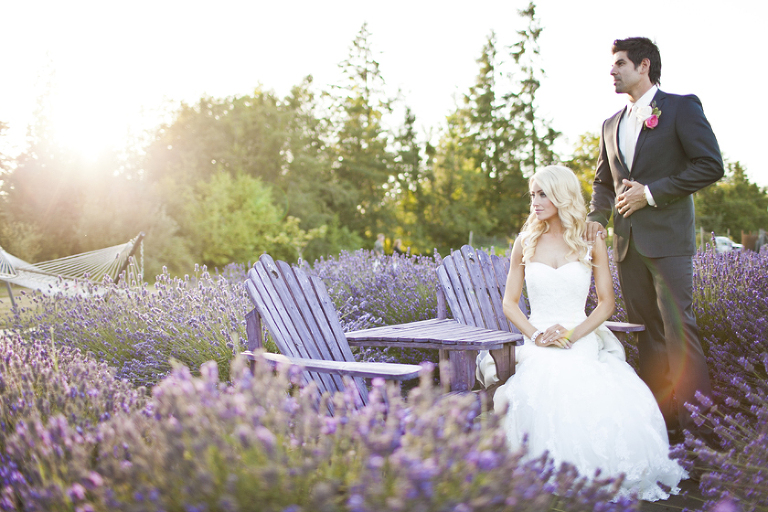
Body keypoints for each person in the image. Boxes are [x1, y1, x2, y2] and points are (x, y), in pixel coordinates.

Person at [477, 165, 685, 501]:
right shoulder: (524, 242)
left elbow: (605, 305)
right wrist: (537, 335)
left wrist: (573, 335)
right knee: (543, 376)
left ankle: (593, 472)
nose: (535, 201)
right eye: (532, 194)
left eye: (542, 193)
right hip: (539, 340)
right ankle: (544, 470)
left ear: (562, 195)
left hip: (581, 335)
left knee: (580, 375)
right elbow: (510, 304)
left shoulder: (591, 240)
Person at [586, 37, 724, 444]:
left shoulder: (682, 107)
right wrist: (597, 213)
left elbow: (710, 165)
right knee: (648, 335)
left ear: (643, 66)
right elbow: (602, 182)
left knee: (680, 332)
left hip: (668, 242)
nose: (612, 71)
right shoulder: (610, 125)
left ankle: (701, 437)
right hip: (627, 244)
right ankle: (662, 433)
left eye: (619, 64)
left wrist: (649, 193)